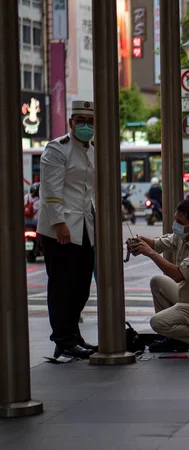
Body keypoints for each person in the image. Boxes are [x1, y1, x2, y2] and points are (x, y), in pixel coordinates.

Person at [37, 100, 97, 359]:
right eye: (80, 121)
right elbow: (51, 189)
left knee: (81, 286)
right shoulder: (57, 149)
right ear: (71, 122)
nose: (85, 126)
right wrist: (59, 224)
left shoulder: (93, 149)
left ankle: (73, 336)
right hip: (60, 228)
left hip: (84, 225)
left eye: (90, 121)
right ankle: (63, 339)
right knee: (62, 286)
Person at [129, 199, 189, 355]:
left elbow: (178, 275)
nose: (175, 224)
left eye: (179, 221)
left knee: (157, 323)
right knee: (157, 281)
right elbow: (157, 244)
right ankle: (175, 340)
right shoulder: (184, 235)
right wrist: (140, 242)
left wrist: (149, 253)